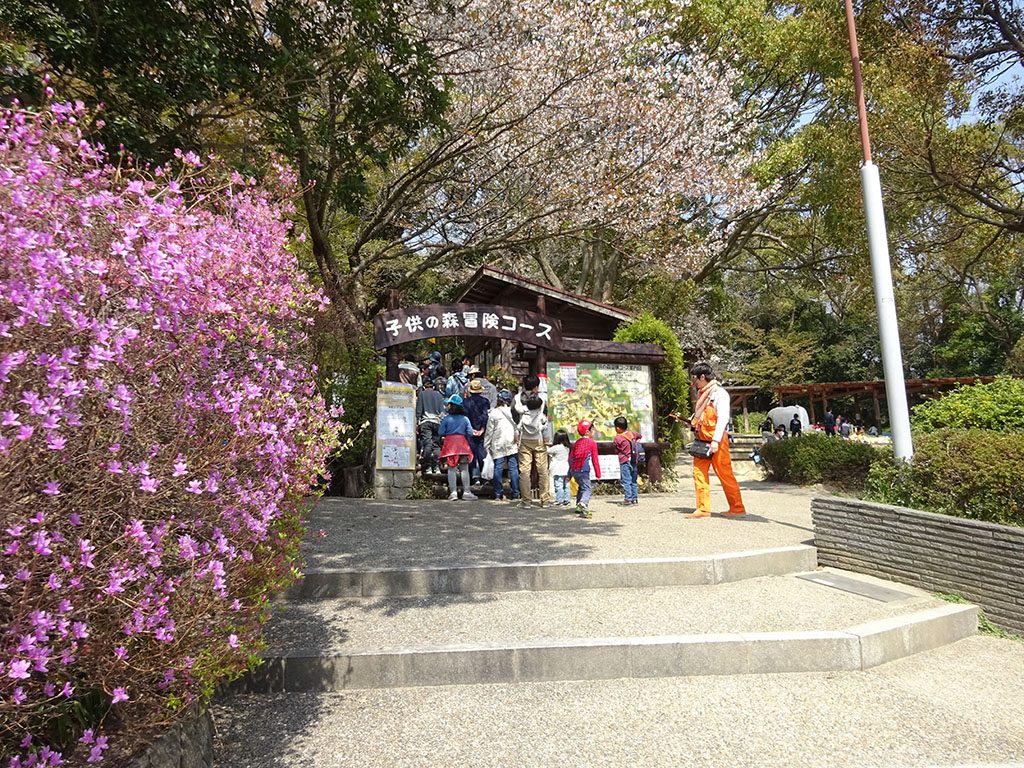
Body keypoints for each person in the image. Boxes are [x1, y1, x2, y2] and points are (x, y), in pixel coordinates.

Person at [685, 361, 746, 519]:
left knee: (725, 473)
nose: (694, 383)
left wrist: (715, 441)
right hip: (701, 439)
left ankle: (737, 507)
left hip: (716, 440)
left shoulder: (720, 393)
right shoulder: (703, 395)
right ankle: (703, 509)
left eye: (695, 379)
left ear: (703, 377)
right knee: (698, 473)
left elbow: (723, 418)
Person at [484, 389, 520, 501]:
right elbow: (517, 428)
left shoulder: (493, 413)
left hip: (497, 442)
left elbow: (489, 430)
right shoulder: (513, 412)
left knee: (498, 467)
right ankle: (515, 493)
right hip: (511, 442)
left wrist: (486, 443)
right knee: (513, 468)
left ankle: (498, 493)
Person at [438, 395, 476, 500]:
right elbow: (470, 432)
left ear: (451, 406)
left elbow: (440, 432)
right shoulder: (465, 419)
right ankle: (467, 492)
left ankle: (453, 492)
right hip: (463, 445)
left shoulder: (446, 419)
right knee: (464, 469)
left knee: (451, 469)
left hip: (450, 446)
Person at [517, 394, 551, 508]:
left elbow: (518, 427)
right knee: (543, 471)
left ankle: (526, 501)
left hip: (525, 442)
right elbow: (545, 430)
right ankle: (545, 500)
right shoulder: (541, 415)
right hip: (539, 441)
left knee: (524, 471)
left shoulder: (523, 412)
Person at [569, 419, 601, 518]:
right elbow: (595, 460)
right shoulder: (592, 443)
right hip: (583, 470)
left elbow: (570, 458)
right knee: (587, 488)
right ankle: (583, 503)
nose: (594, 431)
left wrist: (569, 473)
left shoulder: (577, 443)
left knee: (581, 487)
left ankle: (578, 506)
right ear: (588, 432)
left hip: (574, 470)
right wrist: (598, 474)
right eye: (593, 430)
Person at [463, 378, 491, 484]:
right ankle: (485, 477)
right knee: (481, 452)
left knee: (471, 453)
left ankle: (474, 477)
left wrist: (471, 429)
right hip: (482, 430)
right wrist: (482, 428)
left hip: (469, 430)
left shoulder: (465, 402)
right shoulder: (485, 402)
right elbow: (485, 416)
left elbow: (465, 417)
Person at [415, 377, 445, 474]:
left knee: (427, 444)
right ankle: (436, 467)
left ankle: (427, 467)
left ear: (424, 387)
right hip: (437, 422)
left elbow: (419, 410)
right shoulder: (439, 395)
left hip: (425, 421)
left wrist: (416, 423)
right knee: (436, 446)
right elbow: (442, 412)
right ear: (433, 387)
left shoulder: (422, 394)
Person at [612, 416, 640, 506]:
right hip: (634, 459)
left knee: (626, 480)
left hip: (624, 460)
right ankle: (634, 498)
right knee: (633, 480)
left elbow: (616, 448)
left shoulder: (618, 438)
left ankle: (628, 499)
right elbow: (639, 436)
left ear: (617, 428)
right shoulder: (632, 434)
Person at [547, 429, 572, 507]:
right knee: (566, 485)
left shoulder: (557, 447)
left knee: (559, 485)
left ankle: (559, 500)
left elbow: (548, 451)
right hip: (566, 469)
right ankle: (567, 500)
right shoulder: (567, 447)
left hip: (558, 470)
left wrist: (545, 445)